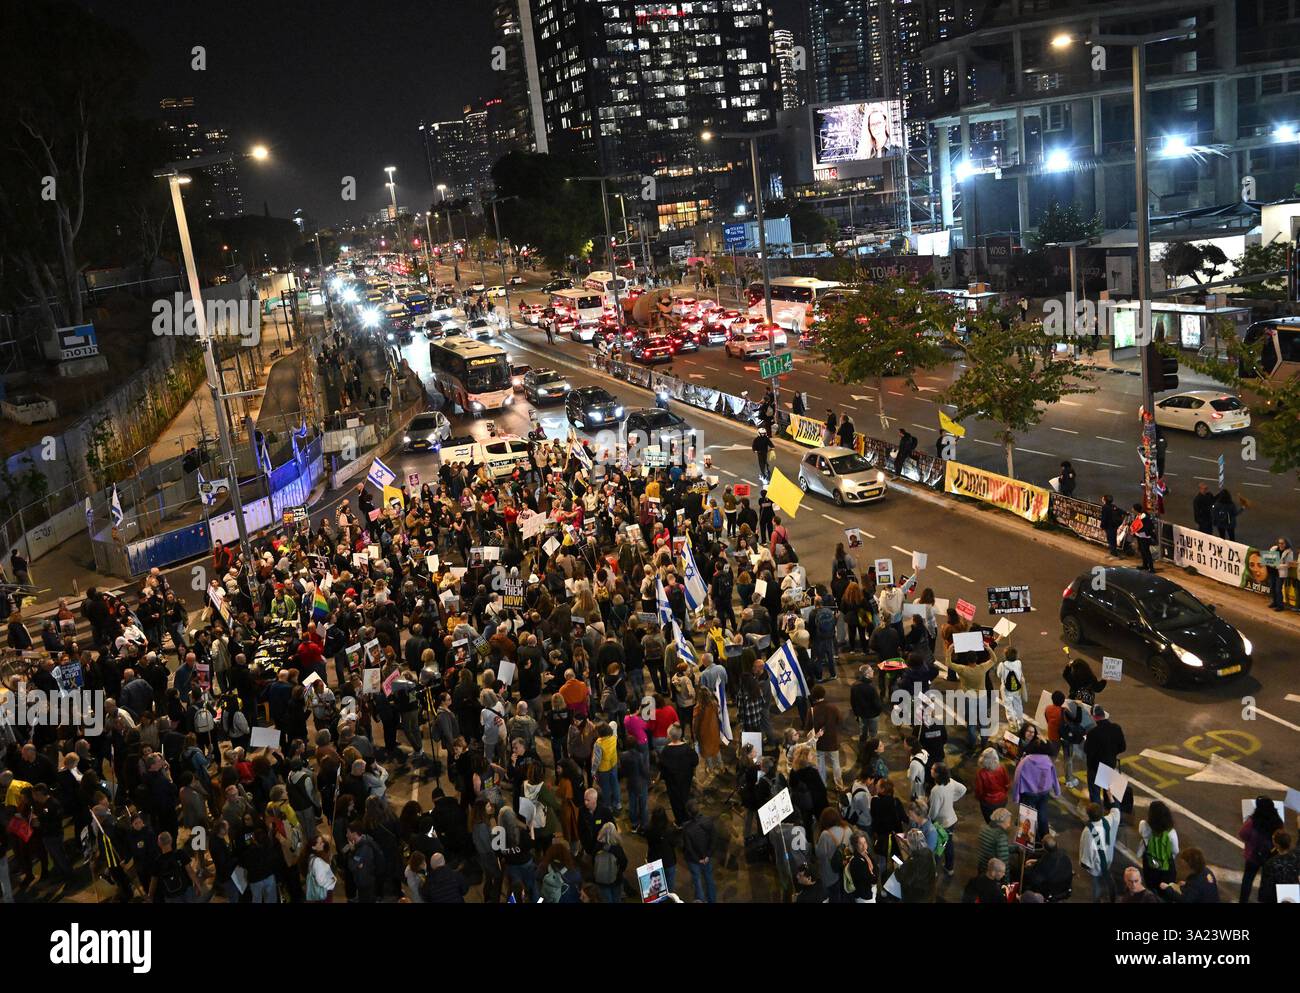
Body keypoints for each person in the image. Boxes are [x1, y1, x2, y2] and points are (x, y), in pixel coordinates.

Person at [1239, 796, 1284, 902]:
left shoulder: (1252, 822)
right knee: (1266, 882)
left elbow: (1242, 834)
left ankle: (1243, 901)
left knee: (1248, 880)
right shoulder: (1278, 822)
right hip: (1270, 857)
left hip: (1253, 856)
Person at [926, 763, 966, 875]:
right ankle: (949, 867)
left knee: (938, 846)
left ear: (937, 774)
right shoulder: (951, 782)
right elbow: (963, 789)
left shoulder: (936, 790)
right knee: (948, 843)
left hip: (942, 823)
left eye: (933, 769)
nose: (931, 769)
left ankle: (934, 870)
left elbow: (934, 810)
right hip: (952, 819)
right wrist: (952, 799)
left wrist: (929, 819)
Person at [1083, 705, 1126, 805]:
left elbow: (1087, 750)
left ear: (1094, 717)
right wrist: (1112, 753)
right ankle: (1115, 812)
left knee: (1095, 794)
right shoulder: (1116, 728)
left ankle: (1097, 817)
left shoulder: (1093, 733)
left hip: (1095, 768)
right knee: (1111, 793)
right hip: (1110, 765)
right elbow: (1123, 747)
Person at [1079, 801, 1121, 902]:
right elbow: (1116, 811)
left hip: (1096, 864)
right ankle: (1110, 896)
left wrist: (1084, 863)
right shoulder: (1108, 820)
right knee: (1107, 876)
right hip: (1108, 858)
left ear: (1088, 815)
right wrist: (1110, 797)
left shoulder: (1088, 831)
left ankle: (1096, 900)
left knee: (1096, 884)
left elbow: (1086, 850)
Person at [1137, 800, 1179, 893]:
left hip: (1150, 862)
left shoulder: (1144, 825)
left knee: (1151, 886)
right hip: (1166, 865)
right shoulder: (1171, 832)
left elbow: (1142, 835)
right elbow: (1175, 850)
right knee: (1166, 889)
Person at [680, 801, 717, 903]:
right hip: (706, 858)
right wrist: (707, 856)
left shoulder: (686, 828)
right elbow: (713, 839)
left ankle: (700, 900)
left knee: (697, 880)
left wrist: (698, 860)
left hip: (694, 860)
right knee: (709, 879)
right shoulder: (708, 821)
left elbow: (689, 848)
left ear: (688, 813)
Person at [1259, 830, 1300, 903]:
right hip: (1292, 892)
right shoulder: (1296, 856)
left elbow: (1266, 887)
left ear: (1276, 844)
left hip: (1275, 895)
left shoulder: (1271, 863)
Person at [974, 747, 1010, 823]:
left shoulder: (981, 773)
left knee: (990, 822)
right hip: (1002, 800)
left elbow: (979, 791)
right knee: (999, 820)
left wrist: (979, 798)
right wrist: (1004, 793)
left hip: (988, 803)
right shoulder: (1002, 768)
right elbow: (1007, 783)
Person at [976, 808, 1012, 875]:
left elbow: (994, 848)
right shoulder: (1001, 836)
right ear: (1002, 822)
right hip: (993, 873)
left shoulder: (984, 828)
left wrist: (1015, 848)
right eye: (1008, 822)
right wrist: (1006, 883)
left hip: (982, 869)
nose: (1009, 825)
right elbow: (1004, 863)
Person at [1130, 503, 1156, 571]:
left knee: (1147, 552)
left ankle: (1151, 568)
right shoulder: (1139, 515)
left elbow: (1146, 527)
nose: (1132, 509)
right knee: (1142, 551)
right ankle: (1145, 565)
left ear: (1136, 510)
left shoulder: (1144, 517)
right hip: (1140, 536)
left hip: (1145, 537)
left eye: (1133, 508)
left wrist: (1138, 531)